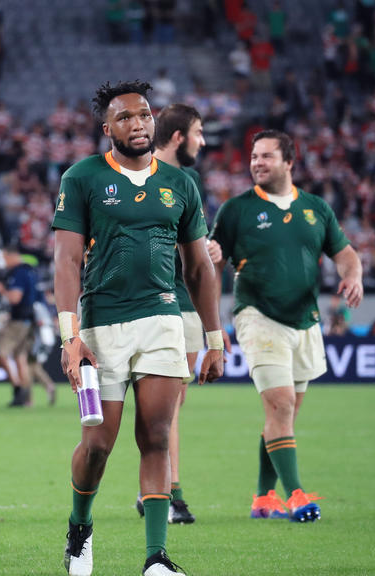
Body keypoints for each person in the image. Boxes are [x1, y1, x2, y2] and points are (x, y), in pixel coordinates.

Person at [52, 81, 224, 576]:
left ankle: (156, 557)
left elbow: (199, 268)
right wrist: (70, 337)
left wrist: (214, 338)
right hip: (101, 326)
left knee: (156, 435)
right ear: (108, 129)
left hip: (163, 321)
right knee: (97, 445)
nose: (138, 124)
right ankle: (80, 528)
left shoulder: (180, 184)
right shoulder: (82, 178)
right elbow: (66, 261)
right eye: (125, 117)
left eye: (144, 114)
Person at [208, 129, 362, 523]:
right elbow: (213, 265)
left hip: (305, 320)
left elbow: (345, 254)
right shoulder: (236, 210)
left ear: (289, 162)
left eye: (266, 156)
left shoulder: (316, 208)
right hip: (257, 315)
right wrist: (212, 321)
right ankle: (296, 494)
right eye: (254, 156)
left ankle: (263, 498)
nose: (257, 163)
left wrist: (353, 276)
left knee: (282, 417)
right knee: (281, 403)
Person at [132, 103, 209, 524]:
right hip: (153, 304)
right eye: (198, 133)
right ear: (179, 137)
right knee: (166, 405)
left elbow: (194, 248)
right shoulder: (137, 172)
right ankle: (169, 493)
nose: (202, 142)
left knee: (173, 402)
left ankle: (154, 488)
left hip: (186, 302)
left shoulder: (189, 181)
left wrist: (209, 250)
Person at [0, 246, 38, 407]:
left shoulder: (19, 273)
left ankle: (18, 388)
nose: (3, 261)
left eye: (5, 257)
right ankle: (27, 399)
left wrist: (1, 290)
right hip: (27, 320)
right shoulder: (28, 271)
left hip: (18, 321)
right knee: (20, 358)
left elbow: (14, 298)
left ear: (13, 256)